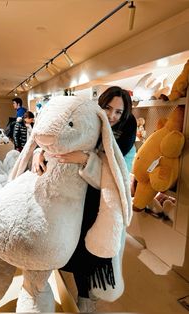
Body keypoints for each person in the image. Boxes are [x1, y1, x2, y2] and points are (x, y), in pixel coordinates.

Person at [32, 86, 137, 312]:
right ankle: (80, 291)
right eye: (108, 108)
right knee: (76, 242)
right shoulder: (92, 121)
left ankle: (87, 296)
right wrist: (40, 151)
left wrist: (85, 160)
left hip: (105, 198)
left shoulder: (126, 130)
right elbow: (65, 138)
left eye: (119, 112)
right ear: (100, 106)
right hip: (80, 193)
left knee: (95, 249)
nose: (112, 116)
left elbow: (114, 173)